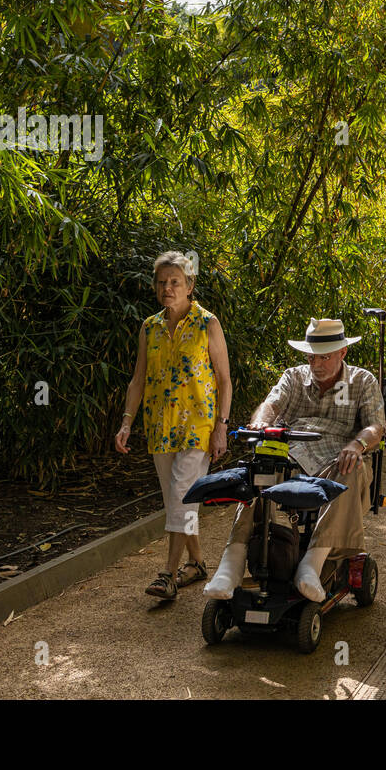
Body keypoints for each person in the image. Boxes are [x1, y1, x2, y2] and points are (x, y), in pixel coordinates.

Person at [204, 317, 386, 603]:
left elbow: (376, 427)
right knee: (260, 465)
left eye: (324, 358)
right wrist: (260, 423)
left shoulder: (362, 381)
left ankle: (312, 563)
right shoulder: (294, 376)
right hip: (293, 452)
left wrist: (357, 444)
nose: (316, 365)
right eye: (311, 358)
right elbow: (270, 405)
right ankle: (234, 558)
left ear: (343, 353)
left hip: (337, 456)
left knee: (352, 468)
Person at [115, 251, 232, 601]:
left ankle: (167, 574)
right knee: (178, 501)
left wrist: (222, 427)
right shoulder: (149, 327)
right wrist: (126, 423)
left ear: (190, 285)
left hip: (198, 425)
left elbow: (225, 380)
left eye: (175, 282)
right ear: (155, 287)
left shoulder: (207, 323)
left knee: (182, 493)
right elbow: (138, 379)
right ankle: (196, 563)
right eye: (162, 282)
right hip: (159, 426)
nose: (168, 288)